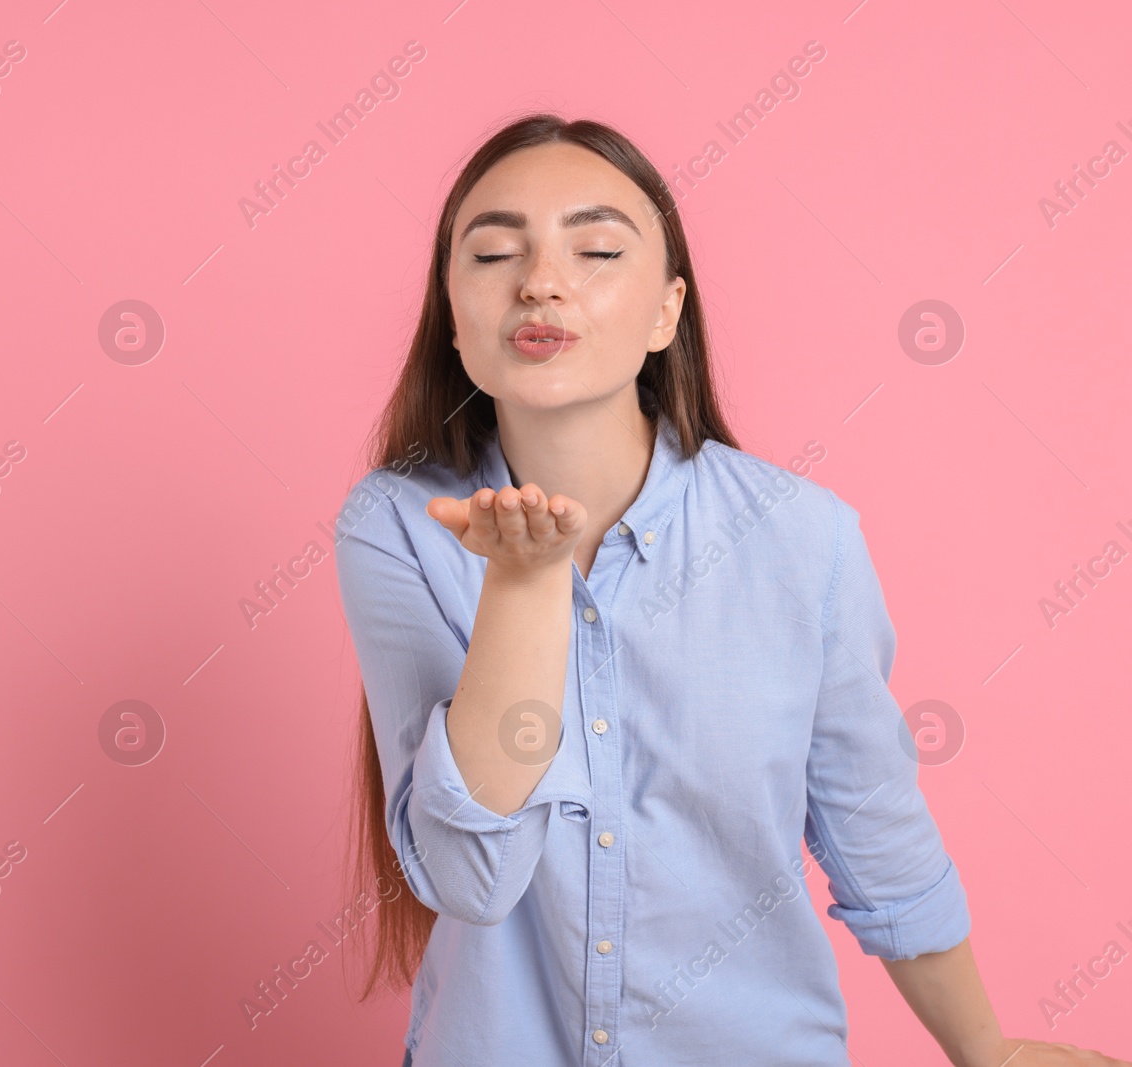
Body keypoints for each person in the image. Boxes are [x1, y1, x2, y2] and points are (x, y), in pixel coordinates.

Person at [332, 113, 1128, 1067]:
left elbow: (872, 827)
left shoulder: (802, 537)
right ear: (454, 321)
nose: (541, 281)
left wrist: (984, 1049)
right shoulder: (397, 525)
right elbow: (472, 874)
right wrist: (525, 587)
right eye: (496, 251)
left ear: (667, 311)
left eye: (595, 249)